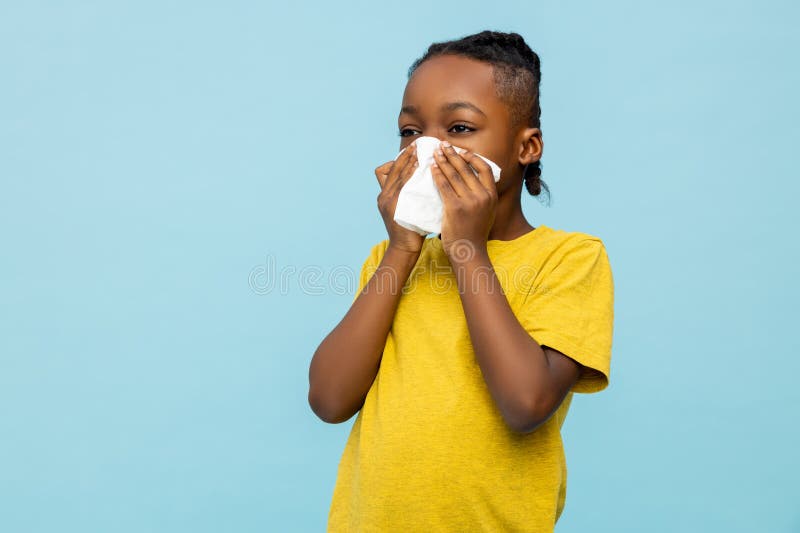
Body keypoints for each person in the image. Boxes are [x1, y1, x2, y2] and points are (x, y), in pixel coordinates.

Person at [308, 30, 615, 532]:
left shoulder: (570, 259)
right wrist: (403, 248)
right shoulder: (394, 261)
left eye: (459, 127)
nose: (430, 149)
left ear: (526, 146)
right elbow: (329, 399)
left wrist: (467, 250)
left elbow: (526, 403)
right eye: (411, 132)